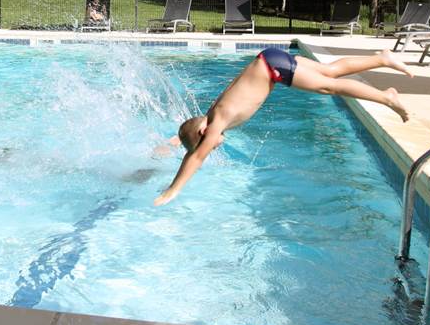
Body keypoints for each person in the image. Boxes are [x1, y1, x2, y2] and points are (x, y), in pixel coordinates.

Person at [153, 47, 412, 207]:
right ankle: (381, 58)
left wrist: (173, 189)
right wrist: (172, 143)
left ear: (203, 133)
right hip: (268, 59)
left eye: (207, 141)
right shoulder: (210, 117)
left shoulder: (215, 124)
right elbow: (189, 141)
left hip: (273, 68)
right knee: (330, 71)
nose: (213, 144)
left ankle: (387, 97)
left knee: (328, 86)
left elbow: (196, 156)